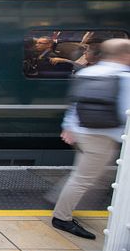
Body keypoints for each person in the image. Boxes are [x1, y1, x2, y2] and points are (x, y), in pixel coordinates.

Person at [51, 39, 130, 239]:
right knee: (84, 179)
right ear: (125, 55)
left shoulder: (88, 72)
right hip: (103, 135)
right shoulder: (124, 77)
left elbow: (74, 104)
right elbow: (125, 112)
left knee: (85, 176)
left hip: (82, 132)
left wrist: (68, 126)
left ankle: (59, 201)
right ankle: (62, 217)